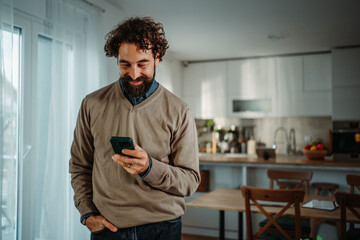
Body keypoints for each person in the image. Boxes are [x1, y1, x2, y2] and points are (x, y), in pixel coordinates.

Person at [69, 16, 200, 240]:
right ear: (116, 60)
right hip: (107, 228)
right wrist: (87, 213)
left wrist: (149, 167)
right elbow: (80, 166)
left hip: (162, 227)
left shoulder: (180, 110)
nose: (135, 73)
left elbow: (190, 181)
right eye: (125, 64)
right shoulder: (92, 103)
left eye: (142, 64)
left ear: (157, 57)